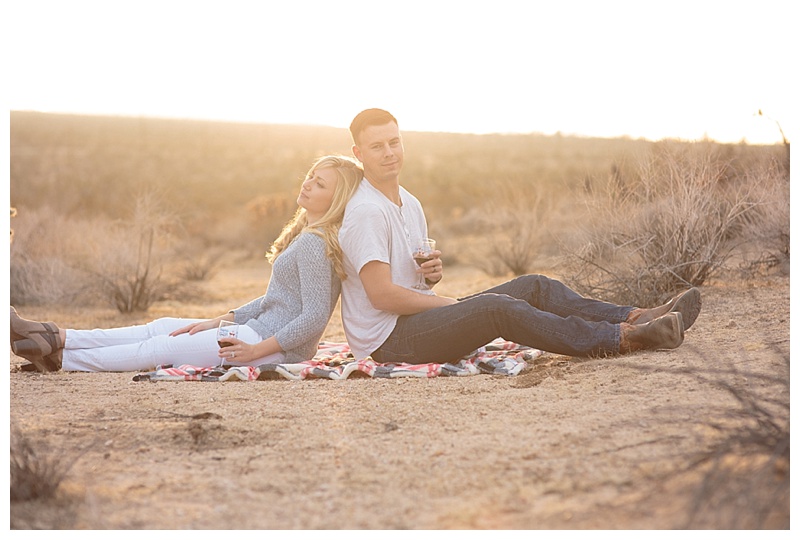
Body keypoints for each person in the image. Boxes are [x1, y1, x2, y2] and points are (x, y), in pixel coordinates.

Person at [337, 108, 702, 364]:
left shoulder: (410, 202)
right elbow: (382, 295)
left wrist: (431, 274)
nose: (389, 153)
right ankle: (623, 338)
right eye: (377, 146)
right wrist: (452, 304)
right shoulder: (366, 210)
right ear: (358, 153)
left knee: (535, 287)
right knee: (496, 307)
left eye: (394, 142)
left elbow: (412, 280)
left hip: (420, 320)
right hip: (391, 341)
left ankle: (637, 316)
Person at [10, 155, 364, 372]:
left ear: (337, 200)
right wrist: (219, 318)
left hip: (271, 348)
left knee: (160, 348)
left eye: (320, 184)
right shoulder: (306, 233)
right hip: (254, 332)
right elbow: (276, 300)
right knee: (160, 326)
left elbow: (315, 317)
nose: (308, 185)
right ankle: (57, 336)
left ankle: (59, 359)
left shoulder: (318, 244)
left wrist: (257, 350)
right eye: (311, 176)